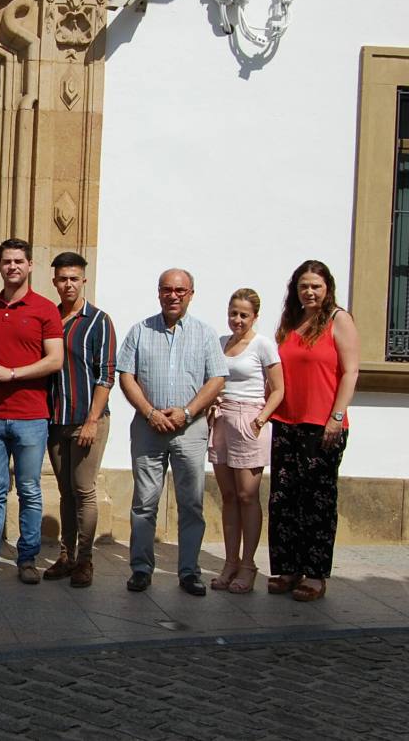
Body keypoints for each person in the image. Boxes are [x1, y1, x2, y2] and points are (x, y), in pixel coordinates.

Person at [118, 268, 227, 596]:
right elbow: (126, 375)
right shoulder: (140, 331)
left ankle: (190, 572)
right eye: (167, 289)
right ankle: (140, 568)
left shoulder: (205, 334)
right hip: (149, 428)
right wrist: (150, 412)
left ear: (191, 294)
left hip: (189, 430)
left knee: (191, 503)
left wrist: (188, 411)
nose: (173, 295)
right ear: (159, 293)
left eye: (180, 290)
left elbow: (217, 378)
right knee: (144, 502)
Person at [0, 238, 64, 584]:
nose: (12, 266)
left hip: (30, 415)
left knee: (29, 489)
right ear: (0, 265)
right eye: (6, 261)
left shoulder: (45, 309)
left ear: (29, 266)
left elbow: (54, 360)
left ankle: (27, 559)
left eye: (18, 261)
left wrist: (13, 373)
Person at [267, 261, 359, 602]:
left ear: (327, 288)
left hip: (322, 425)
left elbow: (350, 372)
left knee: (317, 500)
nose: (309, 292)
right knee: (284, 497)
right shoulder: (291, 322)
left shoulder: (338, 320)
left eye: (316, 286)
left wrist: (337, 415)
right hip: (286, 420)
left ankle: (316, 574)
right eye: (304, 286)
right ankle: (289, 568)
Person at [44, 252, 116, 588]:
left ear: (83, 280)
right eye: (62, 278)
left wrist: (92, 420)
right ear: (55, 281)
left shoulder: (99, 321)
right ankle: (66, 555)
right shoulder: (50, 319)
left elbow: (107, 374)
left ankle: (85, 560)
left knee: (84, 490)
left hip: (88, 418)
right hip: (56, 418)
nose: (68, 284)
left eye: (74, 278)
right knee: (65, 491)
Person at [207, 288, 283, 595]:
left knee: (247, 496)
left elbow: (278, 389)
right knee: (227, 496)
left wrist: (261, 418)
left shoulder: (263, 345)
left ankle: (249, 564)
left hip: (249, 419)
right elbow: (214, 379)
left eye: (243, 315)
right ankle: (230, 562)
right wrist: (213, 403)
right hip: (223, 418)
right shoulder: (221, 343)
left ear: (254, 317)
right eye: (233, 313)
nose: (237, 320)